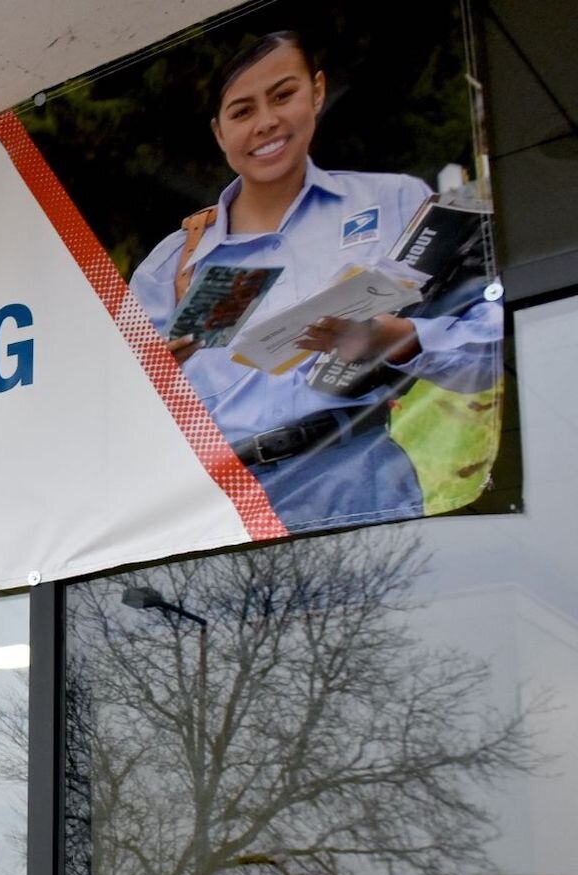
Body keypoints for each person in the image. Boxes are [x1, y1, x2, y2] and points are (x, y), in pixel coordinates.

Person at [129, 31, 501, 532]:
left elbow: (492, 344)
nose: (266, 123)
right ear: (219, 133)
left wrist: (401, 340)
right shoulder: (171, 265)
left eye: (283, 95)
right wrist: (145, 390)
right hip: (222, 513)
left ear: (317, 91)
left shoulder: (392, 203)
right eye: (242, 111)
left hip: (360, 485)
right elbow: (117, 427)